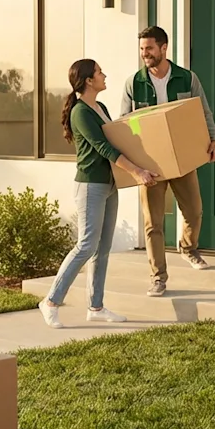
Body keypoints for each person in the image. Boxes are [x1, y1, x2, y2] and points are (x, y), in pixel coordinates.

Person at [40, 58, 159, 329]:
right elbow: (104, 148)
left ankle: (96, 306)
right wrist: (138, 172)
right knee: (86, 246)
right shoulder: (81, 112)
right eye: (99, 72)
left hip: (108, 185)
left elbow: (118, 138)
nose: (104, 75)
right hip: (90, 187)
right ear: (89, 80)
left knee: (102, 249)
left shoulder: (100, 107)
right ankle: (50, 302)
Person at [119, 25, 215, 298]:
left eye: (149, 48)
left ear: (164, 48)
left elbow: (203, 111)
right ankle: (158, 277)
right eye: (142, 49)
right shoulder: (133, 83)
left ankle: (188, 247)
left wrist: (213, 139)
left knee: (194, 212)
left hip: (182, 158)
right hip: (149, 164)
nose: (145, 54)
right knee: (153, 223)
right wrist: (133, 163)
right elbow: (124, 123)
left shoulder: (187, 79)